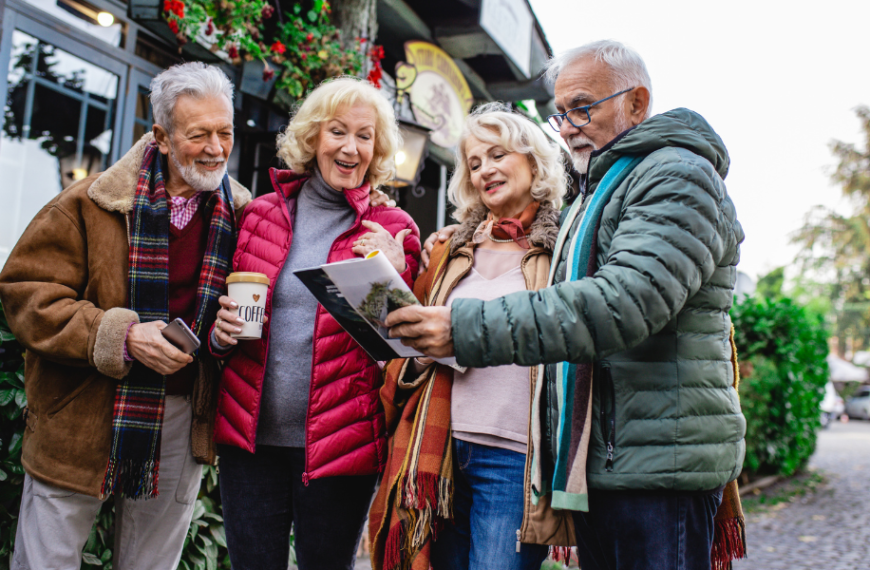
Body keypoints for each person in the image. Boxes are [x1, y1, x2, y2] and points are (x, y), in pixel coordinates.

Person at [387, 40, 746, 570]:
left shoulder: (676, 174)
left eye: (583, 106)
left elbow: (624, 303)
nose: (570, 124)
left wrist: (463, 327)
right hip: (611, 460)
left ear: (637, 102)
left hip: (657, 467)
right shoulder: (601, 188)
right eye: (561, 113)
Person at [0, 62, 252, 569]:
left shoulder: (243, 213)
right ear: (160, 136)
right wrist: (122, 335)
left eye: (224, 132)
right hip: (81, 412)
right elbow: (26, 295)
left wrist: (225, 336)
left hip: (182, 415)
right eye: (198, 133)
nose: (215, 147)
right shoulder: (87, 202)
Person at [209, 77, 421, 570]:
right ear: (312, 138)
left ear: (377, 147)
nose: (350, 148)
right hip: (251, 439)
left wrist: (397, 274)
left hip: (339, 445)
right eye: (337, 132)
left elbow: (404, 343)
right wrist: (220, 337)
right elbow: (225, 318)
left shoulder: (392, 229)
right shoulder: (259, 214)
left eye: (364, 136)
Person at [369, 104, 575, 570]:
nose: (485, 170)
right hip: (440, 454)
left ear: (533, 160)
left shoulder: (563, 247)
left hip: (516, 459)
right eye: (475, 163)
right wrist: (420, 354)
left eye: (497, 155)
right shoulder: (449, 249)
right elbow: (405, 351)